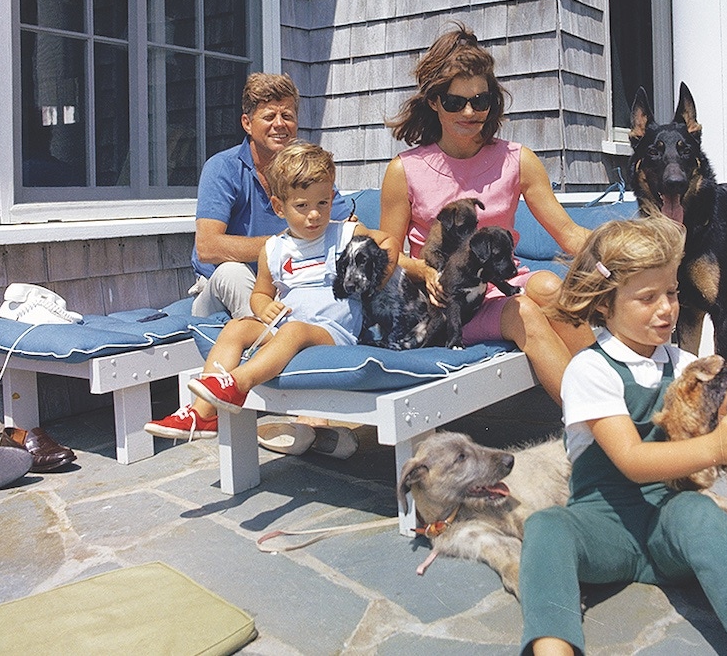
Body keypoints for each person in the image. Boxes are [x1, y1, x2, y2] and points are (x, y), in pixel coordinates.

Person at [519, 215, 727, 656]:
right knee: (546, 527)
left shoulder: (683, 362)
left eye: (671, 292)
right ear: (605, 305)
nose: (667, 308)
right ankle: (552, 647)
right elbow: (630, 459)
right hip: (603, 525)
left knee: (705, 517)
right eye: (647, 298)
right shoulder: (590, 370)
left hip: (669, 522)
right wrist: (715, 446)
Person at [380, 23, 596, 401]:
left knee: (546, 284)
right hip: (445, 305)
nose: (470, 111)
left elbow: (570, 234)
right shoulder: (404, 171)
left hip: (503, 287)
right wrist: (425, 271)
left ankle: (618, 397)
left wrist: (632, 255)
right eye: (455, 102)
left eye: (480, 101)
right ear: (434, 102)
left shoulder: (518, 161)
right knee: (525, 312)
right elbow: (388, 255)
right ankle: (596, 425)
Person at [173, 142, 398, 452]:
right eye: (302, 206)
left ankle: (236, 384)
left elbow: (386, 241)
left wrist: (374, 281)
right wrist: (263, 307)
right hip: (287, 327)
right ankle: (202, 414)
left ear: (332, 198)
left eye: (322, 202)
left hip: (332, 331)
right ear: (280, 207)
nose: (314, 214)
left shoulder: (344, 234)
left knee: (294, 331)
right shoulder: (274, 250)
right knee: (237, 328)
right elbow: (261, 293)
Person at [189, 72, 350, 319]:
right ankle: (266, 344)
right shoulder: (223, 167)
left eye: (287, 116)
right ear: (247, 123)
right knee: (233, 272)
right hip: (219, 290)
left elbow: (345, 227)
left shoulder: (306, 171)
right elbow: (208, 247)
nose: (279, 124)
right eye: (269, 116)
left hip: (286, 286)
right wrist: (287, 244)